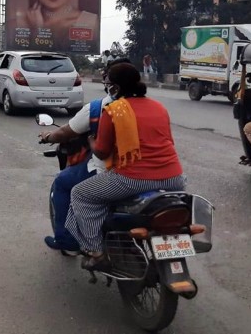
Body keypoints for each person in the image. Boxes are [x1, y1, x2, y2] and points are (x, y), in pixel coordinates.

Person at [65, 63, 186, 271]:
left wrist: (92, 142)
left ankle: (96, 252)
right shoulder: (159, 107)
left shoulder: (113, 111)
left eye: (109, 84)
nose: (107, 88)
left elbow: (102, 153)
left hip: (132, 179)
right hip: (174, 177)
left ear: (115, 88)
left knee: (80, 194)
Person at [38, 58, 130, 254]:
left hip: (112, 173)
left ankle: (68, 239)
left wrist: (48, 137)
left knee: (63, 183)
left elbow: (69, 133)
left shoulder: (101, 109)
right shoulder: (149, 107)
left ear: (110, 83)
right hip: (152, 173)